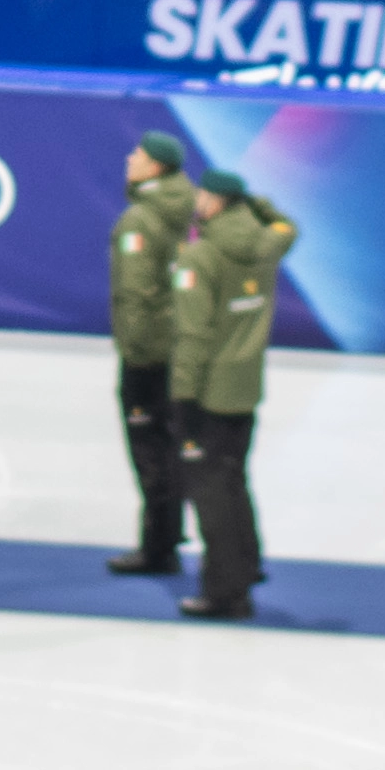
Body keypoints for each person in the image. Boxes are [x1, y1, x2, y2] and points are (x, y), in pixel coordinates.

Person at [170, 168, 297, 622]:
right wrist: (253, 203)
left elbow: (193, 335)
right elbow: (286, 226)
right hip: (245, 388)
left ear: (214, 202)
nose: (196, 201)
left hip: (209, 394)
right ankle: (247, 564)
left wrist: (183, 398)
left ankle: (226, 592)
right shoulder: (267, 245)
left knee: (211, 492)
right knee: (234, 479)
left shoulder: (201, 258)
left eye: (203, 195)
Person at [106, 131, 196, 577]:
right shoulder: (189, 207)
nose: (130, 158)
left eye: (138, 155)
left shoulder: (141, 219)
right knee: (170, 442)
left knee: (149, 447)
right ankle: (169, 534)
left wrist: (136, 353)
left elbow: (136, 292)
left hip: (148, 353)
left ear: (156, 167)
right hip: (179, 343)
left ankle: (157, 547)